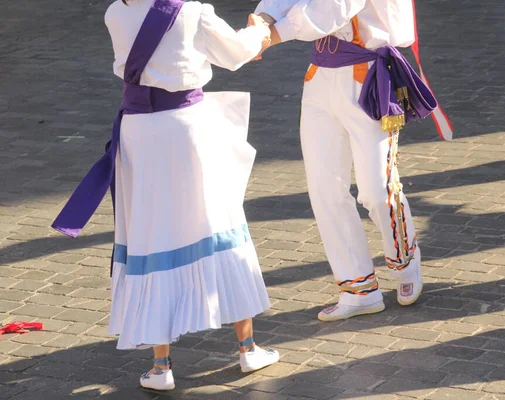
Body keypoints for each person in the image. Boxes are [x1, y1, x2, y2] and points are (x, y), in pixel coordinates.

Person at [51, 0, 279, 391]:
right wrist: (259, 28)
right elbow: (237, 53)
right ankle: (247, 348)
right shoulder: (192, 10)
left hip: (139, 135)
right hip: (186, 129)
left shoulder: (114, 14)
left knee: (151, 236)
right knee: (219, 221)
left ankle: (161, 366)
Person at [253, 0, 448, 322]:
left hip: (369, 76)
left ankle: (404, 260)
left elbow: (332, 9)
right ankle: (359, 290)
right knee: (325, 189)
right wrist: (262, 20)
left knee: (376, 189)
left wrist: (266, 35)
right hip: (320, 76)